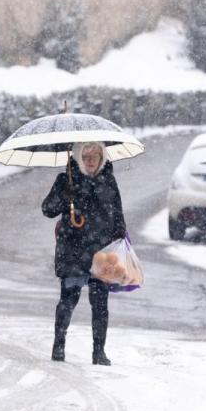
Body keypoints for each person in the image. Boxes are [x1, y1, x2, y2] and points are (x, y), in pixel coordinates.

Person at [42, 141, 126, 366]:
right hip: (73, 250)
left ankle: (99, 351)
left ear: (102, 158)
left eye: (95, 156)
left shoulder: (108, 180)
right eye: (86, 156)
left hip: (101, 252)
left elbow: (118, 214)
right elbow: (47, 209)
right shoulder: (65, 179)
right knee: (68, 300)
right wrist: (64, 196)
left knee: (100, 304)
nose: (90, 161)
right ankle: (58, 345)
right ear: (78, 157)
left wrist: (120, 240)